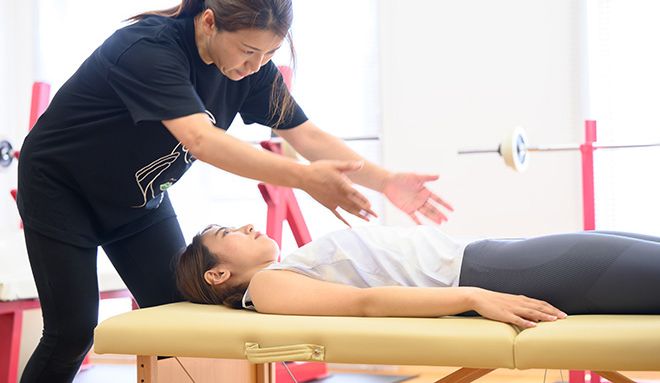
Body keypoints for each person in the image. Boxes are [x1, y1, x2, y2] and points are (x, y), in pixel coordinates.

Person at [16, 0, 452, 383]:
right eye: (248, 51)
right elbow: (201, 141)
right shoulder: (148, 50)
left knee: (184, 315)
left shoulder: (253, 69)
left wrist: (384, 180)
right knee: (72, 331)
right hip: (60, 189)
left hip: (138, 199)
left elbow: (307, 135)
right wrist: (302, 178)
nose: (257, 64)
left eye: (270, 53)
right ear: (209, 23)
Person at [176, 223, 660, 328]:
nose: (244, 225)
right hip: (487, 271)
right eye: (226, 232)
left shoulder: (288, 267)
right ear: (219, 273)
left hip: (491, 256)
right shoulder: (265, 286)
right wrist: (477, 295)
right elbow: (367, 304)